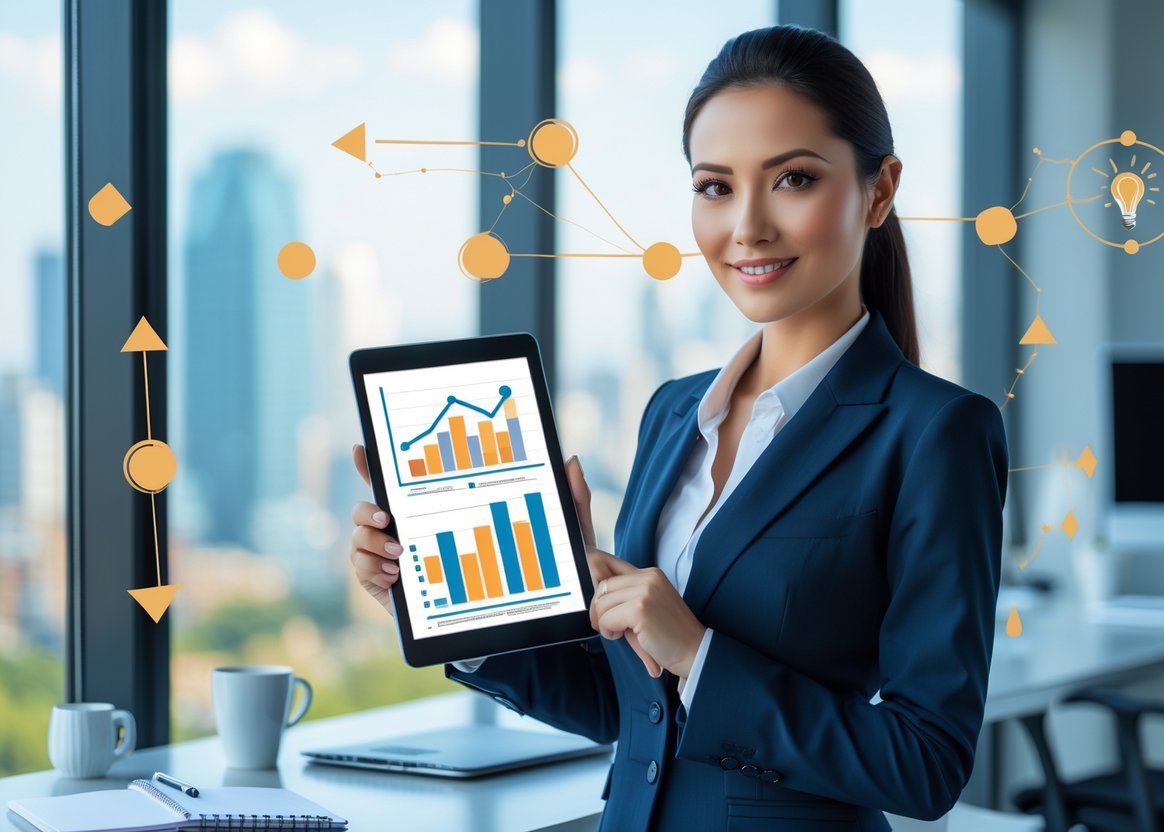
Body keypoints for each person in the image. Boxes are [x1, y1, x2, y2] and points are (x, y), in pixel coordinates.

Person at [348, 23, 1008, 832]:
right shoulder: (671, 411)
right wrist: (460, 612)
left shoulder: (935, 432)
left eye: (792, 179)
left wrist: (699, 653)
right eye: (714, 187)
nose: (747, 227)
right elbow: (635, 715)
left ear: (877, 190)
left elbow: (925, 761)